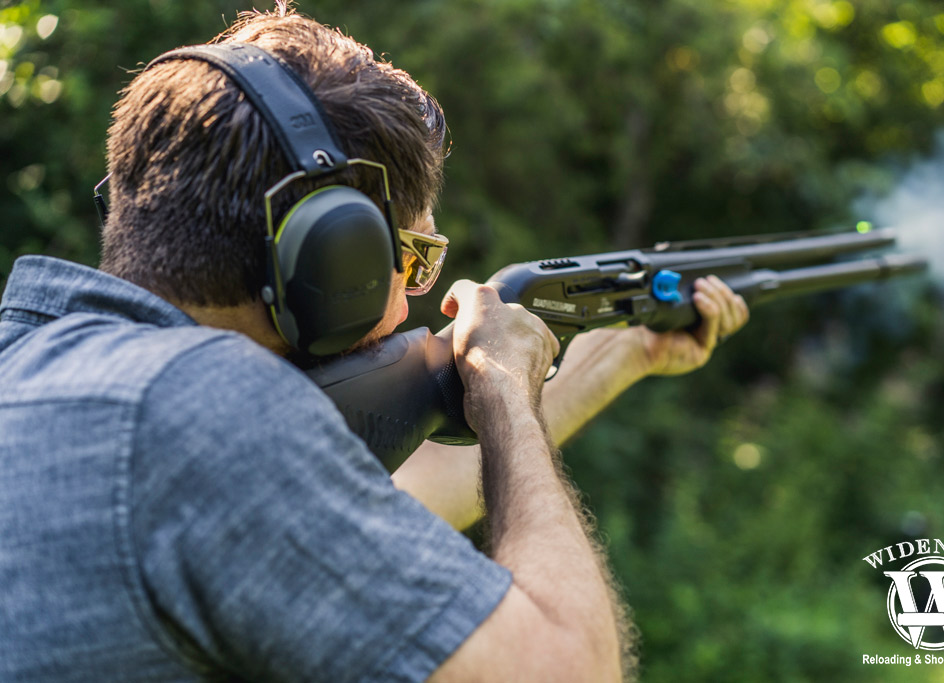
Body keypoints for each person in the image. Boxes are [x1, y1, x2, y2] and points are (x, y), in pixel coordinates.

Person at [0, 5, 749, 682]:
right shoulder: (201, 412)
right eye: (413, 259)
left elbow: (379, 509)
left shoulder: (46, 370)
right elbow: (569, 667)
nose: (415, 296)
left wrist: (625, 352)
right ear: (337, 258)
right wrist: (503, 393)